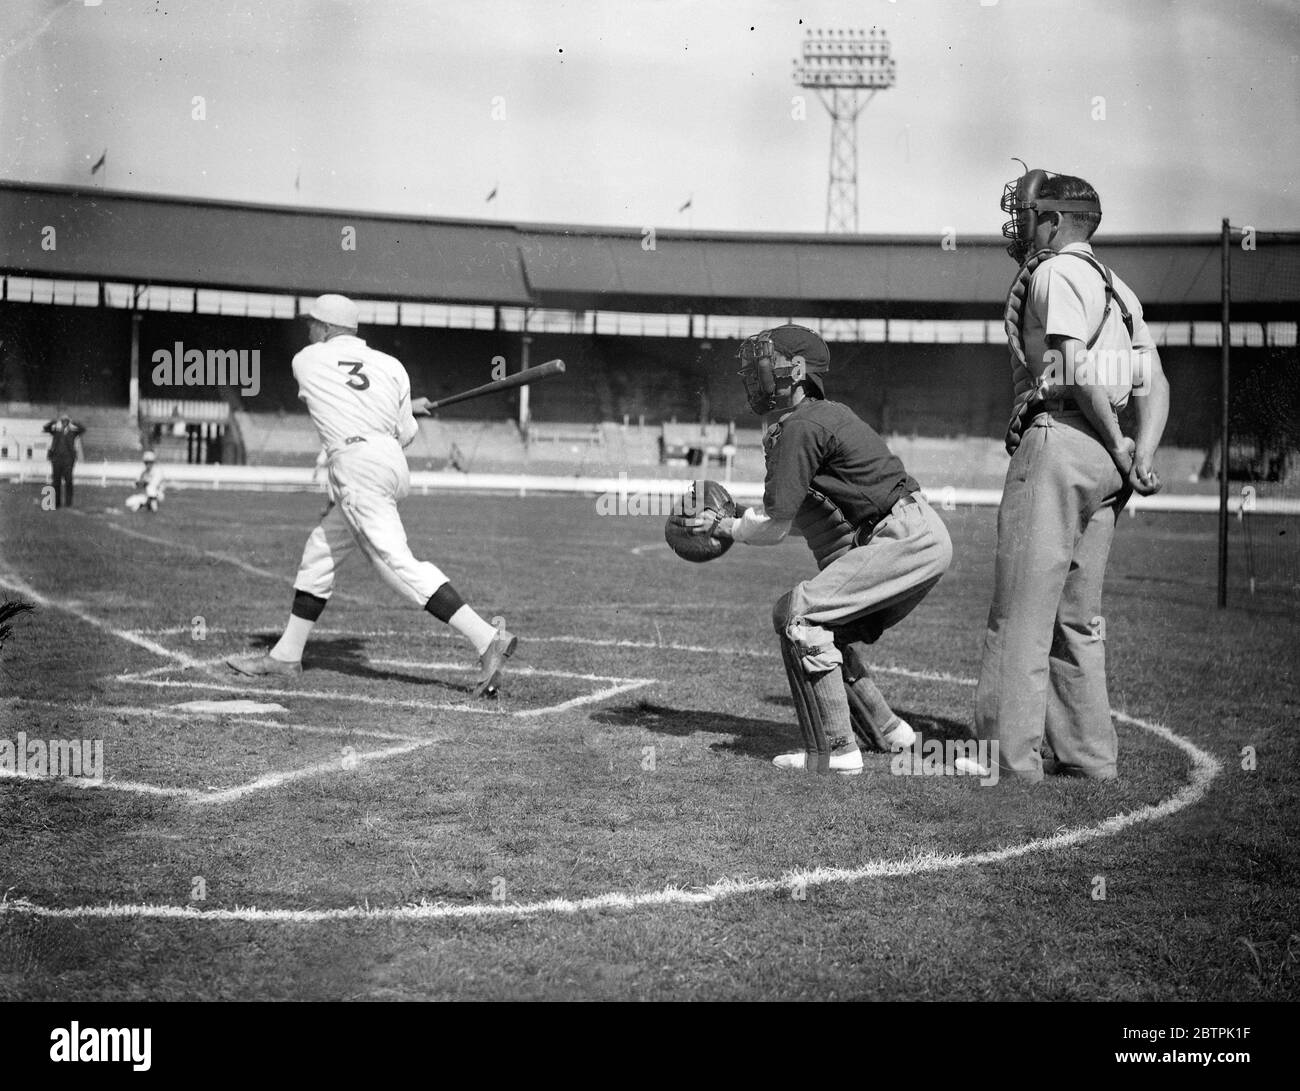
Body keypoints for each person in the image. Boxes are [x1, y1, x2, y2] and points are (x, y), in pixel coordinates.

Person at [687, 325, 952, 775]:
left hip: (902, 537)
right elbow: (796, 520)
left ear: (796, 371)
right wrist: (738, 524)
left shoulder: (801, 427)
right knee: (833, 630)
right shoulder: (817, 416)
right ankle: (890, 732)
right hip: (915, 532)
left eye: (763, 364)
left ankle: (836, 751)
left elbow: (773, 528)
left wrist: (725, 526)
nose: (753, 375)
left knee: (797, 615)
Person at [976, 168, 1170, 782]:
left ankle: (1008, 763)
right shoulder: (1121, 289)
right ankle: (1090, 758)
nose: (1021, 225)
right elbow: (1155, 382)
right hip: (1106, 461)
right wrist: (1139, 454)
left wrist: (1117, 440)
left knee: (1022, 610)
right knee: (1078, 619)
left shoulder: (1057, 272)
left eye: (1030, 214)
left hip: (1061, 439)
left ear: (1056, 221)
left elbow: (1069, 360)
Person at [226, 294, 517, 697]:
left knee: (395, 564)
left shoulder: (306, 359)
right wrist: (408, 410)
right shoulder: (391, 366)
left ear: (326, 328)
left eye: (312, 323)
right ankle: (286, 655)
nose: (308, 329)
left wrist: (400, 413)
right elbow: (403, 432)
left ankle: (487, 637)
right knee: (320, 552)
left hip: (357, 464)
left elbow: (343, 400)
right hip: (388, 460)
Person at [42, 410, 84, 508]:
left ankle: (68, 503)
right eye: (63, 421)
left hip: (68, 461)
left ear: (68, 422)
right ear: (61, 422)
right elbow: (46, 428)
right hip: (56, 460)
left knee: (68, 481)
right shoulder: (56, 432)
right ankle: (57, 503)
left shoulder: (73, 433)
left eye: (66, 421)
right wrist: (53, 421)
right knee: (56, 482)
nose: (65, 423)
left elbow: (83, 429)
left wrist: (75, 422)